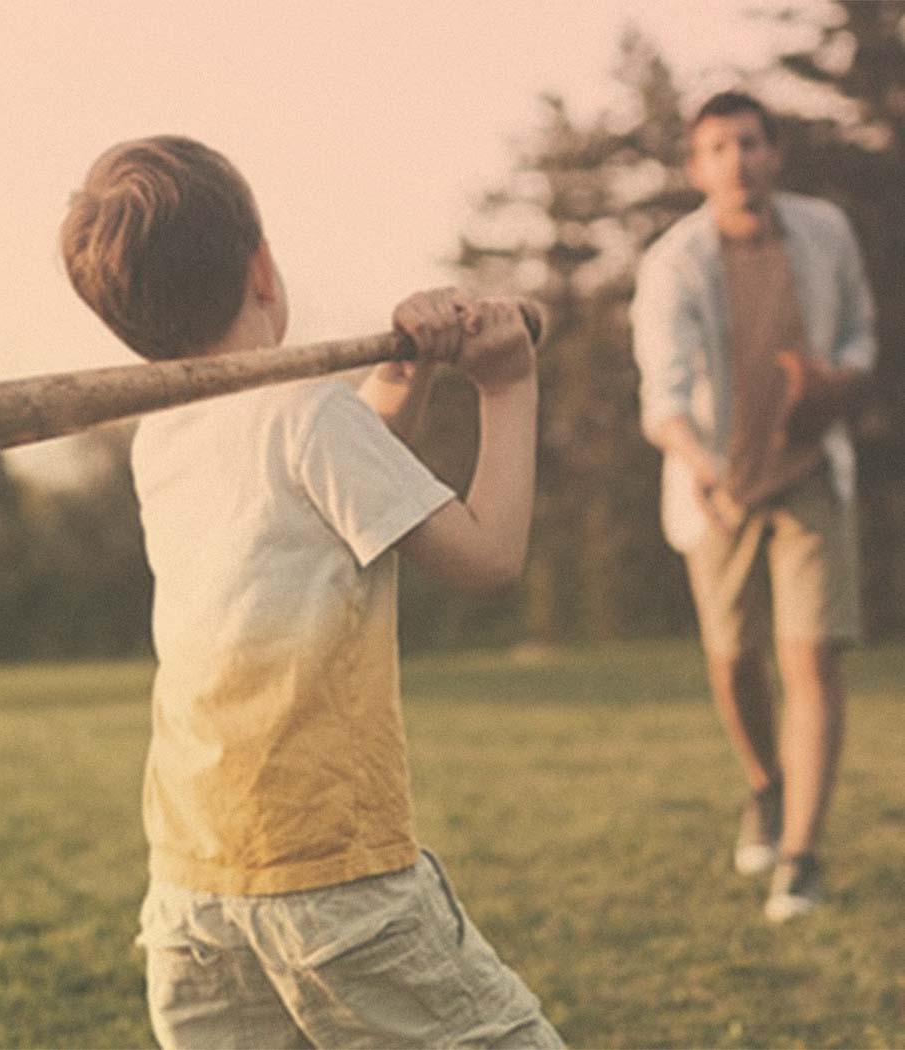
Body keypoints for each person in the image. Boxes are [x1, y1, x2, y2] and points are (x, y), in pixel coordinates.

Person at [60, 136, 563, 1048]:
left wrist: (404, 374)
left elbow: (319, 505)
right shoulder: (310, 416)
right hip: (332, 873)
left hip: (194, 885)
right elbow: (488, 563)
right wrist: (507, 385)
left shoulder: (165, 440)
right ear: (262, 267)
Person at [631, 92, 876, 922]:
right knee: (735, 659)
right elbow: (661, 393)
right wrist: (700, 466)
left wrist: (834, 383)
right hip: (719, 487)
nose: (737, 160)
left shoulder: (825, 232)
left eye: (750, 143)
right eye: (718, 148)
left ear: (774, 155)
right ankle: (765, 787)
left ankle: (801, 855)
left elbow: (861, 342)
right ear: (696, 168)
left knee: (812, 658)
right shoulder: (674, 262)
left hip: (812, 474)